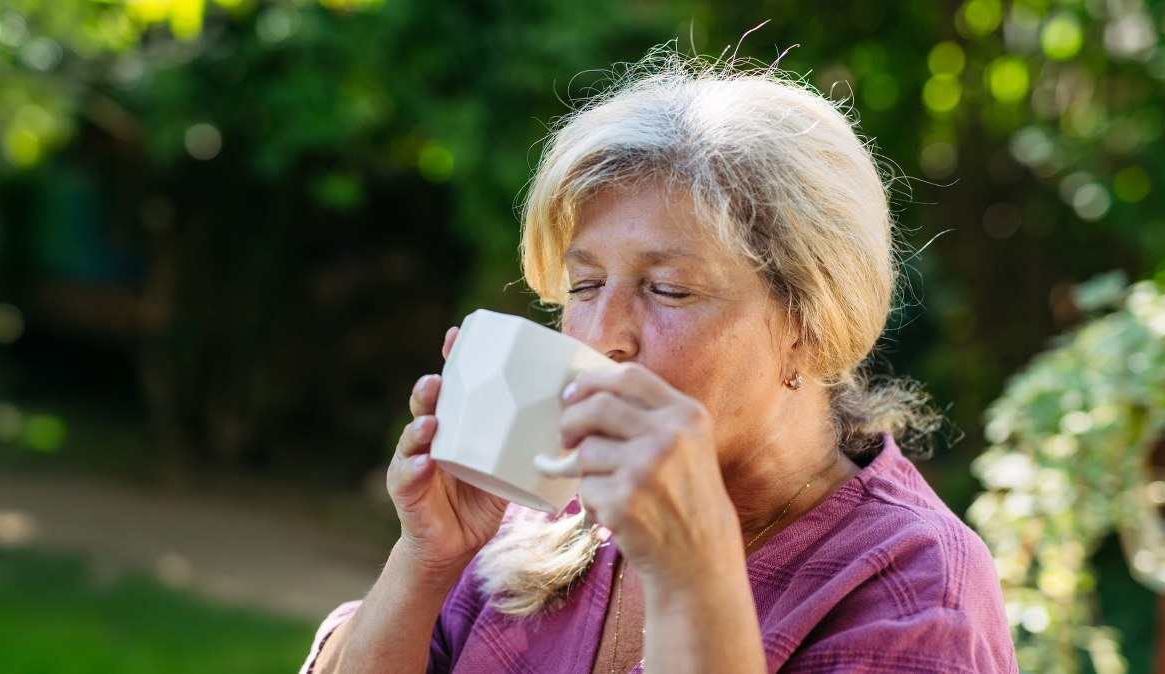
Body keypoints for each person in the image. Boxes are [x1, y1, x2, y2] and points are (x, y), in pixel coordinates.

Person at [302, 47, 1017, 674]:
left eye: (667, 289)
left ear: (810, 326)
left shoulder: (914, 586)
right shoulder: (545, 517)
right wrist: (426, 561)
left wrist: (690, 574)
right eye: (583, 286)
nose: (603, 335)